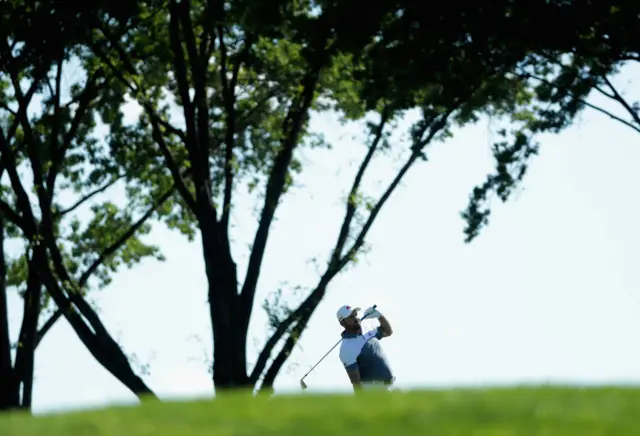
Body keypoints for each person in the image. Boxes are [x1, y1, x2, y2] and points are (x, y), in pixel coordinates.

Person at [336, 305, 395, 391]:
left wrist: (379, 316)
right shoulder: (346, 348)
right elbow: (356, 383)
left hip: (391, 385)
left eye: (355, 314)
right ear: (343, 323)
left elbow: (388, 331)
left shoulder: (367, 328)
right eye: (351, 317)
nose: (356, 318)